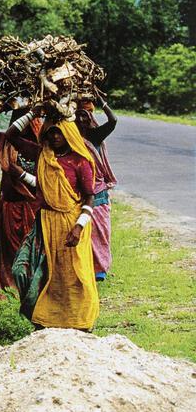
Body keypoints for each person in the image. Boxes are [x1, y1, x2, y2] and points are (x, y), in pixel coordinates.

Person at [7, 108, 99, 330]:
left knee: (72, 276)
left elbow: (89, 198)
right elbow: (10, 136)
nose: (54, 137)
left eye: (59, 132)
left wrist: (79, 228)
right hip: (44, 222)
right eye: (51, 132)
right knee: (22, 269)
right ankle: (39, 315)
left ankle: (79, 322)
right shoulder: (42, 154)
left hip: (71, 224)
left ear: (69, 133)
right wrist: (33, 113)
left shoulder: (80, 161)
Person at [0, 102, 43, 299]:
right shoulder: (6, 142)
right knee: (9, 254)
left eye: (28, 121)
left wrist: (22, 176)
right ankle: (9, 294)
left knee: (30, 253)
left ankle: (31, 294)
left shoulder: (42, 147)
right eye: (18, 119)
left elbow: (48, 182)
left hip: (33, 207)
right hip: (10, 208)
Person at [75, 93, 118, 281]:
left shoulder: (95, 134)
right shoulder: (70, 139)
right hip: (78, 190)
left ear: (91, 117)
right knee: (82, 228)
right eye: (78, 115)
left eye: (85, 115)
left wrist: (101, 101)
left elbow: (113, 120)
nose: (82, 119)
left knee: (100, 230)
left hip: (98, 189)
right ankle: (85, 266)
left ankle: (99, 269)